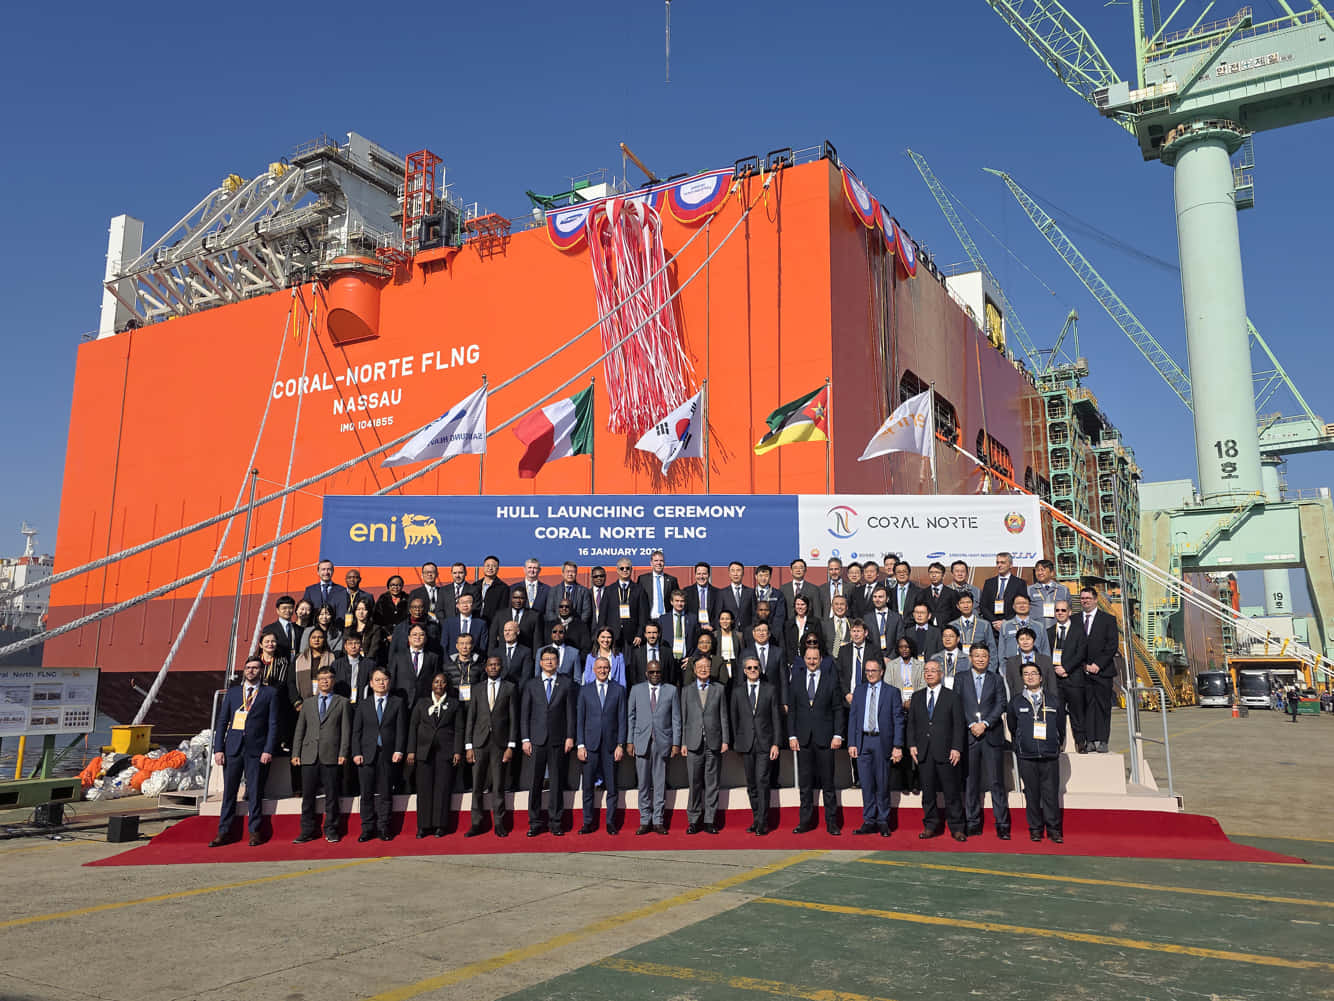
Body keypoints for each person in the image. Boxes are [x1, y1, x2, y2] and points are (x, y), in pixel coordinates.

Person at [210, 656, 278, 847]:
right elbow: (222, 722)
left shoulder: (269, 693)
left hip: (256, 750)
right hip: (233, 749)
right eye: (248, 667)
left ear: (261, 671)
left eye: (255, 668)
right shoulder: (232, 694)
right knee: (229, 792)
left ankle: (255, 831)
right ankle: (223, 832)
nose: (251, 671)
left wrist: (268, 749)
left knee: (255, 792)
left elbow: (273, 724)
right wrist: (218, 749)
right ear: (244, 670)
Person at [906, 659, 967, 841]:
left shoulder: (952, 696)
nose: (929, 673)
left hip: (947, 751)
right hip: (924, 752)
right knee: (928, 793)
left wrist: (957, 748)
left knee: (952, 792)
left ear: (941, 674)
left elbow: (958, 724)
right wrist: (912, 745)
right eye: (926, 670)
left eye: (933, 670)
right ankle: (930, 826)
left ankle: (957, 827)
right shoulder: (917, 697)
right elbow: (911, 724)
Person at [788, 646, 846, 835]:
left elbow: (838, 709)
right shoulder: (796, 679)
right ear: (803, 659)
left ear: (821, 659)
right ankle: (805, 822)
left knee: (828, 784)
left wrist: (838, 734)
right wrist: (792, 735)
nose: (812, 661)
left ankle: (832, 823)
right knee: (805, 785)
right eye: (808, 658)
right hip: (803, 739)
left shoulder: (830, 679)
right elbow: (793, 711)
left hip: (826, 739)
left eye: (815, 658)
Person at [520, 647, 577, 836]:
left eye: (553, 659)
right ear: (540, 662)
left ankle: (555, 822)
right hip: (536, 740)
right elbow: (524, 714)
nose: (549, 662)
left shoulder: (566, 683)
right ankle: (535, 822)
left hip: (558, 740)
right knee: (535, 783)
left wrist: (570, 736)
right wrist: (525, 738)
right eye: (546, 659)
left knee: (556, 783)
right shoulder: (531, 684)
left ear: (558, 662)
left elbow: (570, 713)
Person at [291, 664, 350, 844]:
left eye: (329, 678)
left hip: (331, 754)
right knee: (308, 796)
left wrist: (343, 752)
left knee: (332, 796)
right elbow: (300, 730)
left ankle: (331, 830)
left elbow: (346, 730)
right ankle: (307, 830)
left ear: (333, 681)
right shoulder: (307, 703)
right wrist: (296, 752)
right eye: (322, 678)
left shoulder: (342, 702)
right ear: (317, 682)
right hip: (309, 755)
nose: (325, 681)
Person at [957, 646, 1011, 839]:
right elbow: (958, 703)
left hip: (991, 736)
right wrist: (972, 724)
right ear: (970, 658)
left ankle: (1002, 824)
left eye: (984, 656)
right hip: (970, 736)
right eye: (977, 656)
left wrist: (985, 723)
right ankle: (972, 822)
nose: (980, 659)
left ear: (989, 659)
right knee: (971, 782)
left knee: (997, 782)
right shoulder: (960, 678)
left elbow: (1001, 703)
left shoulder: (996, 679)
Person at [1007, 662, 1065, 843]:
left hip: (1049, 755)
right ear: (1022, 678)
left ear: (1041, 677)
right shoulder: (1016, 702)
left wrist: (1055, 745)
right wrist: (1020, 746)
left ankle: (1054, 829)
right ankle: (1035, 829)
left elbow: (1061, 728)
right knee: (1031, 794)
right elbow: (1012, 726)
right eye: (1026, 674)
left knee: (1050, 794)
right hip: (1027, 755)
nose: (1030, 676)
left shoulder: (1054, 700)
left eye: (1034, 673)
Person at [848, 658, 904, 837]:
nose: (870, 674)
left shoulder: (892, 692)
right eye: (867, 671)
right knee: (866, 784)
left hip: (882, 742)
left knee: (882, 783)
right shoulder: (859, 690)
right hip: (864, 741)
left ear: (881, 672)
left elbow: (898, 720)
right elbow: (853, 718)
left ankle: (883, 821)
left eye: (874, 670)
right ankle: (869, 820)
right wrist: (852, 743)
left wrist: (897, 745)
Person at [464, 656, 518, 838]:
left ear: (501, 667)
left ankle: (499, 824)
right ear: (485, 668)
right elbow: (471, 718)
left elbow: (513, 719)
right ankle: (476, 823)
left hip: (500, 744)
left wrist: (511, 745)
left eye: (497, 664)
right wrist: (468, 745)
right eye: (490, 665)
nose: (494, 667)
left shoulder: (510, 688)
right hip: (479, 743)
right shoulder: (477, 689)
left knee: (498, 785)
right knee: (477, 786)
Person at [407, 671, 465, 838]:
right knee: (424, 789)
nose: (439, 685)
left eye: (443, 682)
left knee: (442, 788)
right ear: (431, 685)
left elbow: (459, 729)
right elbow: (413, 727)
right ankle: (423, 826)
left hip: (445, 751)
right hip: (424, 751)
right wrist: (411, 750)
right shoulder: (421, 703)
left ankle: (440, 825)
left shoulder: (454, 704)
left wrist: (457, 751)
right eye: (436, 682)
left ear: (447, 685)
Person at [352, 667, 406, 841]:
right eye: (377, 679)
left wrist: (398, 750)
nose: (381, 683)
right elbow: (356, 732)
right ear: (371, 683)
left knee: (385, 793)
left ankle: (384, 827)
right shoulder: (363, 704)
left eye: (384, 679)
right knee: (366, 794)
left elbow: (401, 730)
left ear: (389, 682)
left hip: (388, 754)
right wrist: (356, 752)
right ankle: (367, 829)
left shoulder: (397, 702)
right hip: (366, 755)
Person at [627, 660, 681, 834]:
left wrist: (676, 743)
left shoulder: (671, 690)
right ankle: (644, 820)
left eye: (658, 672)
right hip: (641, 741)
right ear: (646, 674)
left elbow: (676, 719)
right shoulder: (636, 690)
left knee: (659, 784)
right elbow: (631, 717)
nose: (655, 675)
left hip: (662, 742)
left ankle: (658, 821)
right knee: (643, 784)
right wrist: (630, 741)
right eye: (652, 672)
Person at [729, 657, 782, 836]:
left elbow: (776, 718)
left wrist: (776, 743)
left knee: (762, 782)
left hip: (765, 743)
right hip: (746, 744)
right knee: (751, 784)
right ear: (744, 671)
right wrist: (737, 742)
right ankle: (756, 818)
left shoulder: (770, 690)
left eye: (755, 667)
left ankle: (762, 822)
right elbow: (734, 719)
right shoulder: (737, 692)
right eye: (749, 668)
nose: (752, 670)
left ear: (760, 669)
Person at [680, 653, 731, 834]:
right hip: (693, 743)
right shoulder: (686, 690)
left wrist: (725, 739)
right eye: (700, 666)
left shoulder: (719, 689)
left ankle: (710, 820)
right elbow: (684, 719)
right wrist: (683, 742)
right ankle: (694, 820)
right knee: (694, 783)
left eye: (706, 667)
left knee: (712, 782)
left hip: (714, 742)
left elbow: (723, 716)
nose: (703, 669)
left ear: (711, 669)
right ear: (694, 670)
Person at [576, 656, 628, 834]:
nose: (603, 670)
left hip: (611, 747)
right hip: (589, 746)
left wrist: (620, 744)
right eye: (599, 667)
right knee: (588, 787)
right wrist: (580, 745)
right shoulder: (584, 691)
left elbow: (622, 720)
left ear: (610, 669)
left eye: (606, 667)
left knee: (612, 787)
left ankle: (611, 823)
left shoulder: (619, 690)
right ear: (593, 669)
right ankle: (588, 822)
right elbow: (580, 720)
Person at [1077, 586, 1119, 753]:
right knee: (1086, 707)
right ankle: (1089, 740)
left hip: (1103, 671)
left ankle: (1102, 740)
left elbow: (1111, 645)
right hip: (1081, 671)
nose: (1085, 601)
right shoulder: (1074, 620)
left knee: (1102, 707)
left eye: (1088, 598)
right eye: (1082, 598)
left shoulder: (1108, 620)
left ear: (1095, 600)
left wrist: (1098, 665)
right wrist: (1083, 665)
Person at [1049, 600, 1088, 751]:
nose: (1060, 613)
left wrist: (1066, 668)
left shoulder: (1079, 631)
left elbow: (1081, 653)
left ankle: (1080, 742)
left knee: (1077, 712)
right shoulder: (1049, 632)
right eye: (1057, 610)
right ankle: (1059, 742)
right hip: (1056, 680)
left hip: (1074, 678)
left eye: (1063, 610)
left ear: (1070, 612)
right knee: (1057, 713)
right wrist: (1055, 669)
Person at [389, 623, 439, 712]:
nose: (418, 637)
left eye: (421, 634)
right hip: (402, 703)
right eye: (414, 634)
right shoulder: (398, 657)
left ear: (426, 638)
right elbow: (392, 681)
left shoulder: (433, 658)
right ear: (409, 638)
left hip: (424, 704)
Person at [289, 626, 336, 718]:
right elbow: (291, 682)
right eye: (313, 637)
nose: (316, 640)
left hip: (327, 703)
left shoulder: (333, 658)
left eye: (320, 637)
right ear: (309, 640)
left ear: (324, 640)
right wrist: (297, 702)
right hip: (303, 704)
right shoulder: (299, 659)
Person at [1003, 627, 1058, 703]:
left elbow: (1052, 685)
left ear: (1033, 641)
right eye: (1022, 639)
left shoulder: (1046, 660)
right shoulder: (1011, 662)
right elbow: (1010, 686)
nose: (1025, 642)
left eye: (1028, 639)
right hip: (1019, 701)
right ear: (1017, 642)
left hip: (1043, 700)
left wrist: (1053, 702)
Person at [980, 552, 1028, 632]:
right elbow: (983, 605)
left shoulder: (1019, 583)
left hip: (1012, 625)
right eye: (997, 563)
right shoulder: (989, 583)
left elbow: (1021, 605)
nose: (999, 565)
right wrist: (994, 622)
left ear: (1010, 565)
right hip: (992, 626)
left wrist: (1006, 622)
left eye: (1002, 562)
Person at [607, 558, 649, 649]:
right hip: (613, 636)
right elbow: (603, 615)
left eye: (627, 568)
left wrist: (640, 634)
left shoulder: (639, 590)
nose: (625, 570)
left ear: (631, 570)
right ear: (617, 570)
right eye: (622, 568)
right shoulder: (609, 590)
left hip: (633, 637)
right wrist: (604, 634)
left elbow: (643, 615)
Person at [659, 589, 698, 683]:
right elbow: (660, 641)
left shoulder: (693, 619)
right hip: (670, 662)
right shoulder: (663, 619)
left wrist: (692, 659)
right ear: (671, 602)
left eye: (682, 601)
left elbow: (698, 641)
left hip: (686, 662)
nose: (679, 604)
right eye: (677, 601)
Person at [998, 594, 1053, 662]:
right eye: (1018, 603)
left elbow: (1045, 650)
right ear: (1013, 606)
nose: (1022, 606)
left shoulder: (1039, 626)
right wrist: (1004, 671)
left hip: (1036, 667)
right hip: (1012, 667)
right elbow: (1001, 652)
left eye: (1025, 603)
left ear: (1030, 606)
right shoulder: (1005, 626)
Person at [491, 586, 544, 653]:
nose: (518, 601)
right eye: (515, 598)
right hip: (503, 657)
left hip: (526, 658)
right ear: (511, 598)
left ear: (526, 599)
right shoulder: (500, 615)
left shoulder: (534, 616)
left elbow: (537, 642)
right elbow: (492, 640)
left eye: (521, 598)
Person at [388, 597, 442, 661]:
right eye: (414, 607)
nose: (417, 610)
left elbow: (438, 648)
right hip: (404, 663)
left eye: (420, 607)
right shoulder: (400, 628)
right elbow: (393, 650)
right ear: (410, 610)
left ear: (424, 609)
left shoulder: (433, 627)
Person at [742, 621, 787, 696]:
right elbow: (741, 678)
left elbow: (783, 679)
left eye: (764, 630)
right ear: (753, 633)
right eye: (758, 630)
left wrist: (784, 702)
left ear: (769, 634)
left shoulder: (779, 652)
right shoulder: (745, 653)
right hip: (752, 696)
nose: (761, 633)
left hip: (774, 696)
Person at [947, 592, 994, 660]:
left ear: (973, 604)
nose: (966, 605)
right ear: (958, 606)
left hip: (980, 665)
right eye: (962, 603)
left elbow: (992, 649)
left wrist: (990, 669)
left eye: (968, 602)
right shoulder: (952, 626)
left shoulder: (985, 625)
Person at [546, 560, 593, 628]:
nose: (570, 574)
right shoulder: (553, 591)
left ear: (576, 573)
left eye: (573, 572)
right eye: (568, 571)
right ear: (562, 573)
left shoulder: (584, 591)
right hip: (557, 629)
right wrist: (559, 625)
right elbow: (549, 611)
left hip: (577, 628)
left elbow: (586, 612)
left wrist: (576, 626)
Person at [332, 632, 374, 705]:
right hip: (341, 703)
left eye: (356, 643)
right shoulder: (336, 664)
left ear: (361, 645)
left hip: (362, 703)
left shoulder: (369, 664)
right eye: (350, 643)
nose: (353, 646)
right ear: (345, 646)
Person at [1028, 560, 1070, 632]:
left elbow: (1069, 609)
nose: (1039, 573)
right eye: (1037, 570)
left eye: (1042, 570)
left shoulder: (1063, 590)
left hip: (1057, 630)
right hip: (1036, 630)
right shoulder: (1029, 590)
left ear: (1051, 573)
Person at [638, 550, 679, 621]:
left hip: (667, 619)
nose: (659, 563)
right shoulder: (642, 579)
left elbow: (677, 599)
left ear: (664, 563)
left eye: (661, 561)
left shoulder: (672, 580)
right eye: (656, 560)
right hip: (649, 619)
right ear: (651, 563)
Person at [867, 586, 904, 660]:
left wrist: (890, 658)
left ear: (887, 599)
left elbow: (900, 640)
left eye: (880, 597)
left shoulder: (897, 617)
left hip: (893, 659)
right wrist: (877, 659)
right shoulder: (867, 618)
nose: (877, 599)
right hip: (873, 660)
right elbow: (867, 641)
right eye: (875, 597)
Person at [347, 596, 387, 664]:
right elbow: (345, 649)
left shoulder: (375, 629)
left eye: (364, 609)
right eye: (358, 609)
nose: (361, 612)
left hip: (368, 663)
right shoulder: (348, 629)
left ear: (368, 611)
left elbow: (373, 650)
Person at [493, 619, 534, 685]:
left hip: (518, 690)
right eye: (505, 630)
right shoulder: (496, 652)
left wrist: (516, 691)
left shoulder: (526, 652)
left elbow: (526, 675)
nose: (507, 633)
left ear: (517, 632)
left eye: (510, 630)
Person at [261, 595, 302, 661]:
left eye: (290, 608)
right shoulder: (269, 629)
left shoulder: (298, 629)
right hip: (277, 665)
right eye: (284, 608)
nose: (288, 610)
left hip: (295, 665)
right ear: (277, 610)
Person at [718, 561, 755, 632]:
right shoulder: (722, 593)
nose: (735, 574)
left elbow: (754, 614)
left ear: (743, 573)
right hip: (729, 631)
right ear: (729, 574)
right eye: (733, 570)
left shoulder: (751, 592)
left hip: (747, 631)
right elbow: (718, 614)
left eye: (738, 570)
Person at [752, 564, 787, 638]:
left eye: (766, 576)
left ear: (770, 577)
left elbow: (779, 616)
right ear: (756, 577)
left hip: (772, 633)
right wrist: (755, 631)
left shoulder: (778, 594)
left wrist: (772, 632)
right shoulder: (750, 593)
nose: (763, 578)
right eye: (761, 576)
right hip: (754, 632)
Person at [684, 561, 721, 630]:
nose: (701, 577)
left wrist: (712, 626)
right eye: (698, 574)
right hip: (693, 630)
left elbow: (718, 613)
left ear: (709, 575)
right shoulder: (687, 592)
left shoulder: (717, 592)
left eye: (704, 574)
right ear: (695, 575)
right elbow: (685, 613)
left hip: (712, 629)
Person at [474, 555, 509, 623]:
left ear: (498, 569)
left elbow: (503, 611)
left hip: (492, 624)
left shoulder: (503, 588)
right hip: (475, 623)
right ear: (483, 567)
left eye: (493, 566)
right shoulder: (475, 586)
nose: (490, 568)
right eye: (488, 565)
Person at [713, 609, 746, 680]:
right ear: (719, 621)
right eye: (722, 619)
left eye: (727, 619)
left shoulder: (739, 635)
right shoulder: (714, 635)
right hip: (720, 665)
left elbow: (742, 652)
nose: (725, 621)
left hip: (734, 665)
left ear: (732, 621)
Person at [922, 562, 955, 628]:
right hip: (928, 628)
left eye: (937, 572)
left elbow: (955, 613)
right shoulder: (923, 593)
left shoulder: (951, 593)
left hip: (946, 629)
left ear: (943, 575)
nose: (934, 575)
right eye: (931, 572)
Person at [823, 594, 853, 660]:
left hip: (848, 662)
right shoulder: (824, 624)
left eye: (842, 604)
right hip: (830, 663)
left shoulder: (853, 623)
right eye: (836, 604)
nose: (839, 607)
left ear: (847, 607)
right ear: (832, 607)